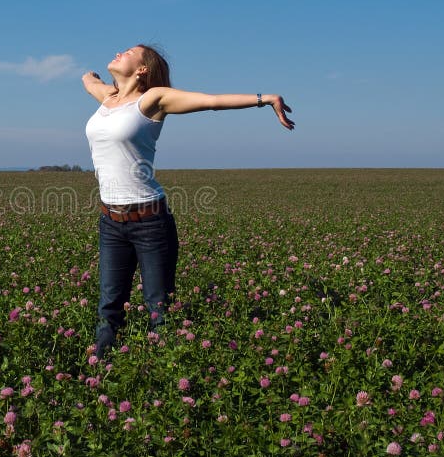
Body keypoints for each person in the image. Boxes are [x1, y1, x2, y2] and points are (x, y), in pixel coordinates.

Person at [83, 44, 294, 358]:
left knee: (158, 307)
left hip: (149, 221)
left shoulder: (153, 99)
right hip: (110, 221)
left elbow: (211, 102)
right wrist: (94, 78)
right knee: (109, 306)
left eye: (129, 52)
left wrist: (265, 99)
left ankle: (161, 374)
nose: (119, 52)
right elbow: (88, 79)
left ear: (142, 69)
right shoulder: (107, 98)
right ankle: (100, 370)